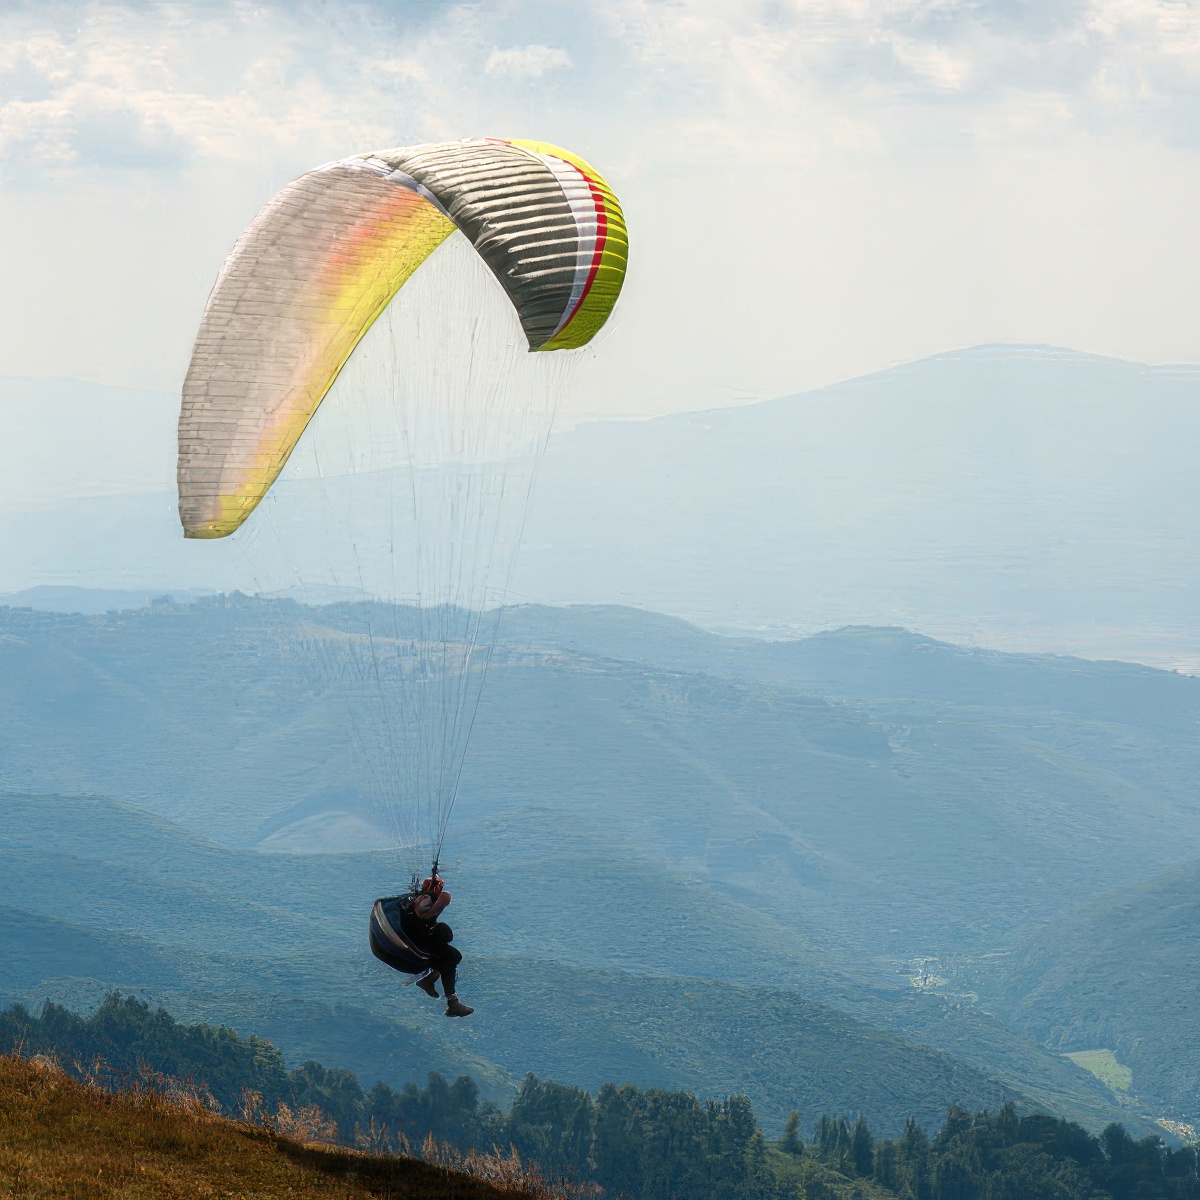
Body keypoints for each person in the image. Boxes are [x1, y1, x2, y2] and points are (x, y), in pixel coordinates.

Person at [369, 875, 474, 1017]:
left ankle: (450, 1001)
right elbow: (424, 914)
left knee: (453, 955)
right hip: (413, 942)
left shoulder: (419, 899)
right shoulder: (424, 901)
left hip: (419, 944)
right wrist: (442, 899)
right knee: (444, 933)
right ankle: (433, 981)